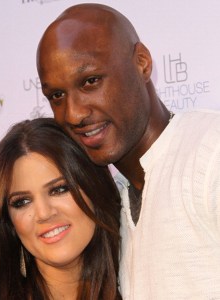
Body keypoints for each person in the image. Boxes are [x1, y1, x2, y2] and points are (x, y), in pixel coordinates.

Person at [36, 3, 220, 299]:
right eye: (56, 96)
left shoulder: (211, 153)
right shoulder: (105, 208)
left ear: (142, 63)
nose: (73, 114)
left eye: (90, 81)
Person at [0, 118, 121, 300]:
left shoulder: (140, 284)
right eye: (22, 202)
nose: (44, 213)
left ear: (94, 188)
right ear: (8, 221)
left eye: (59, 189)